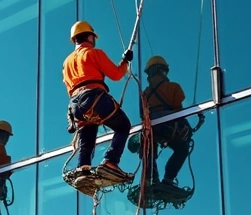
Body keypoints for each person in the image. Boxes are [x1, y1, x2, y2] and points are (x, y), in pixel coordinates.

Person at [63, 20, 134, 182]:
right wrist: (125, 62)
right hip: (93, 97)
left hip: (75, 105)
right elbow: (116, 75)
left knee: (87, 133)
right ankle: (110, 161)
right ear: (89, 37)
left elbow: (68, 87)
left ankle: (83, 169)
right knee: (123, 126)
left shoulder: (66, 62)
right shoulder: (93, 53)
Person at [139, 55, 193, 188]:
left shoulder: (144, 93)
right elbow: (178, 111)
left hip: (151, 127)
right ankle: (169, 178)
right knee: (182, 149)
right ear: (163, 71)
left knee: (149, 151)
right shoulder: (173, 87)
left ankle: (152, 178)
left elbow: (142, 114)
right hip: (169, 125)